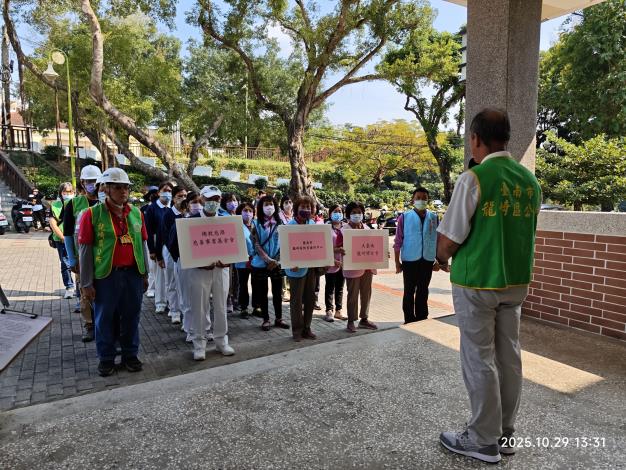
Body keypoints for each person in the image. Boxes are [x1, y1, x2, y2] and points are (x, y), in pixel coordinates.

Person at [436, 108, 542, 464]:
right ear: (507, 138)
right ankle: (505, 435)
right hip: (515, 283)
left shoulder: (474, 178)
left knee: (478, 357)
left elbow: (449, 239)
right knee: (509, 357)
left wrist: (440, 257)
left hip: (477, 282)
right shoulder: (530, 182)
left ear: (476, 138)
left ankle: (482, 439)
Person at [78, 168, 149, 377]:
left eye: (126, 187)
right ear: (106, 189)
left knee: (132, 316)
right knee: (104, 318)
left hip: (133, 274)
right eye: (118, 187)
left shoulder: (136, 213)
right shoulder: (91, 215)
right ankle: (106, 358)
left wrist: (145, 274)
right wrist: (86, 283)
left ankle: (130, 355)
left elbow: (142, 244)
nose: (123, 191)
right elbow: (85, 250)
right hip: (106, 276)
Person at [169, 185, 235, 360]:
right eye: (209, 199)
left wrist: (230, 260)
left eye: (216, 199)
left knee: (221, 306)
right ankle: (199, 344)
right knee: (199, 307)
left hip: (221, 269)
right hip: (198, 271)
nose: (213, 202)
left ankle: (222, 341)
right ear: (202, 199)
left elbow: (236, 246)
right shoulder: (190, 222)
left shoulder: (227, 221)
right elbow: (174, 246)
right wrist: (194, 261)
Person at [63, 164, 102, 342]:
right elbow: (68, 233)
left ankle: (106, 325)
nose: (92, 184)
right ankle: (89, 325)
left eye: (95, 181)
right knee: (85, 292)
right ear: (82, 182)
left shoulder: (106, 201)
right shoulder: (73, 204)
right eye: (88, 181)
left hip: (104, 256)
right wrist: (72, 259)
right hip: (82, 257)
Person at [393, 187, 440, 323]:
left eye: (424, 198)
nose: (421, 200)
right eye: (418, 198)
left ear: (428, 200)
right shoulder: (404, 217)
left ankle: (422, 317)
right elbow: (398, 241)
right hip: (409, 260)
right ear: (412, 200)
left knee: (423, 290)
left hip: (427, 260)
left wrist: (438, 261)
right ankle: (409, 319)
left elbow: (438, 240)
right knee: (409, 291)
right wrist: (397, 263)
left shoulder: (434, 217)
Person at [284, 196, 322, 342]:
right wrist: (289, 263)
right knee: (296, 301)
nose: (306, 210)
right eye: (303, 207)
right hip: (296, 269)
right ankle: (297, 330)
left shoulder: (312, 224)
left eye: (308, 207)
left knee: (310, 299)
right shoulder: (289, 226)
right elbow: (284, 248)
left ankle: (307, 328)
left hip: (311, 268)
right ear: (296, 209)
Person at [251, 195, 290, 331]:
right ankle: (265, 319)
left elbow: (284, 243)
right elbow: (256, 244)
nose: (269, 207)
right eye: (266, 204)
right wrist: (268, 260)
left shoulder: (280, 223)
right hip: (260, 263)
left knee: (277, 292)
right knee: (263, 293)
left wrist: (276, 260)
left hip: (276, 263)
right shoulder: (255, 224)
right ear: (261, 207)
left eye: (271, 204)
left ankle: (279, 318)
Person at [342, 201, 378, 333]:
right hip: (352, 268)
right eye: (353, 212)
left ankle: (364, 319)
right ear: (348, 215)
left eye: (359, 212)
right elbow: (339, 248)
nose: (357, 215)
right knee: (352, 294)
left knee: (366, 293)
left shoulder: (368, 229)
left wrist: (382, 253)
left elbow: (374, 246)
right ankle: (351, 321)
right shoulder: (344, 230)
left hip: (368, 267)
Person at [156, 186, 187, 325]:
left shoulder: (188, 213)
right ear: (174, 198)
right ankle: (174, 311)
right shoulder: (168, 214)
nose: (183, 199)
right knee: (172, 282)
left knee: (184, 284)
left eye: (185, 196)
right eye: (179, 196)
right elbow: (163, 236)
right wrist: (160, 256)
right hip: (170, 252)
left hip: (185, 253)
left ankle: (184, 311)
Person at [144, 181, 173, 314]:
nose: (167, 193)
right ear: (159, 192)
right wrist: (152, 249)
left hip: (171, 245)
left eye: (170, 191)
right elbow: (148, 230)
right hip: (158, 244)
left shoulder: (173, 207)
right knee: (160, 275)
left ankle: (171, 301)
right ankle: (160, 302)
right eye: (165, 190)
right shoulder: (152, 208)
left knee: (171, 276)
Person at [49, 182, 75, 299]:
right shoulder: (55, 205)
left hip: (77, 239)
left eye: (70, 191)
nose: (68, 194)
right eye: (65, 192)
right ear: (61, 193)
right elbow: (53, 223)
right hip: (62, 240)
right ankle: (69, 287)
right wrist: (63, 238)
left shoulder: (78, 203)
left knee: (81, 263)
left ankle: (80, 289)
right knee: (65, 263)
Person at [324, 204, 347, 322]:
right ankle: (329, 310)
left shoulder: (346, 227)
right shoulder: (326, 228)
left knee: (340, 287)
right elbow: (323, 246)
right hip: (331, 262)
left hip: (344, 263)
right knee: (330, 287)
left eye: (340, 211)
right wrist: (336, 251)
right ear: (330, 213)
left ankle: (339, 310)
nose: (338, 213)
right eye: (335, 211)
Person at [234, 201, 255, 319]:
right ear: (240, 212)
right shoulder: (236, 226)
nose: (248, 213)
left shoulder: (256, 225)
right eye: (245, 211)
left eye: (250, 211)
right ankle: (244, 307)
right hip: (242, 260)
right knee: (243, 285)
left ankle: (257, 306)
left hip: (256, 260)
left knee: (256, 284)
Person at [221, 193, 240, 313]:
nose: (232, 203)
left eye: (234, 200)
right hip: (227, 251)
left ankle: (235, 299)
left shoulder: (238, 216)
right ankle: (228, 299)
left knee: (236, 277)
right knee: (228, 277)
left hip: (237, 251)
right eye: (229, 201)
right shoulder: (222, 216)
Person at [141, 188, 159, 298]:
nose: (154, 196)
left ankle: (160, 289)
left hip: (160, 237)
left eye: (156, 193)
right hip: (148, 238)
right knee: (151, 265)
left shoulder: (162, 208)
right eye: (152, 194)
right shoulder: (144, 209)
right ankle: (151, 288)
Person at [278, 195, 294, 303]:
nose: (288, 205)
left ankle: (290, 289)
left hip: (292, 247)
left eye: (290, 202)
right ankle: (284, 291)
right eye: (286, 202)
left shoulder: (294, 216)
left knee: (291, 267)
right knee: (283, 269)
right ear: (282, 205)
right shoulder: (279, 217)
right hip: (282, 246)